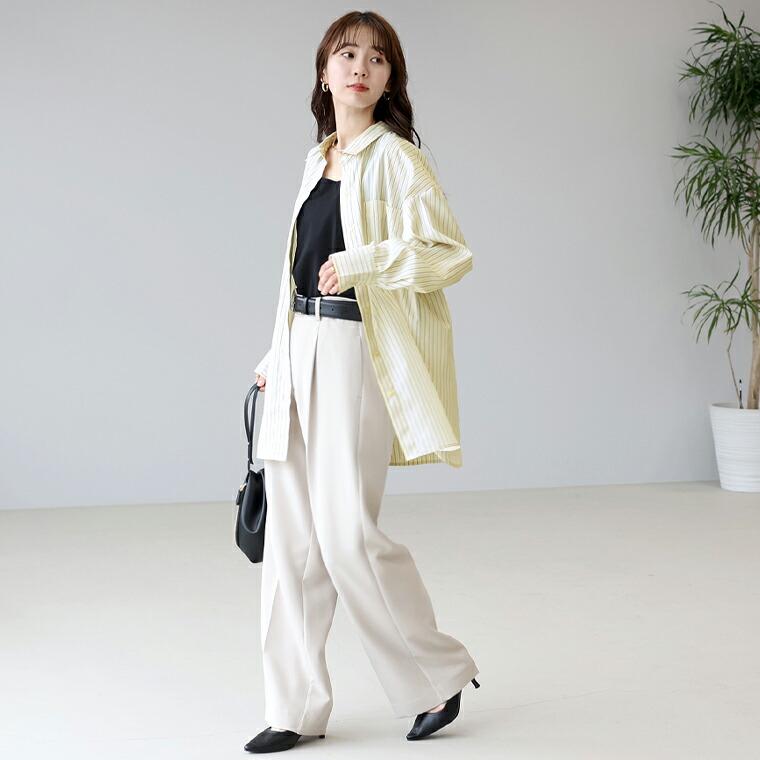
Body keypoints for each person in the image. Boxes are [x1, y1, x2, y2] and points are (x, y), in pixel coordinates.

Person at [244, 11, 479, 754]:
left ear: (389, 79)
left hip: (354, 347)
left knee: (346, 534)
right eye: (347, 54)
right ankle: (294, 708)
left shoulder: (398, 161)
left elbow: (448, 254)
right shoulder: (316, 162)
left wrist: (364, 262)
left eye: (377, 59)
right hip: (299, 348)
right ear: (324, 72)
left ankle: (435, 675)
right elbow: (292, 274)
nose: (360, 68)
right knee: (292, 543)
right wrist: (275, 354)